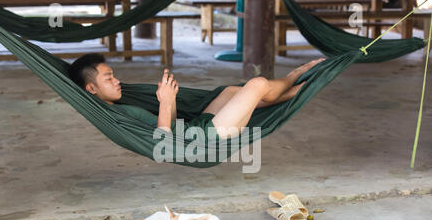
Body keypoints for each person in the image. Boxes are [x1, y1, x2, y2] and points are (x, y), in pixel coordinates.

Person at [68, 53, 325, 139]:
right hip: (204, 137)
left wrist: (170, 100)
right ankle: (299, 79)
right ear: (91, 89)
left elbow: (172, 125)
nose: (117, 80)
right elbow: (163, 143)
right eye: (109, 78)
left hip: (196, 126)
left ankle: (298, 85)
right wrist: (166, 102)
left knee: (235, 92)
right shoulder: (117, 114)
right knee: (256, 85)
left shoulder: (120, 102)